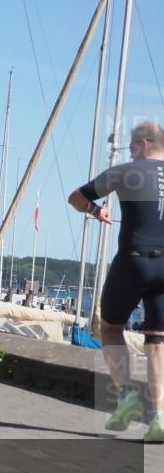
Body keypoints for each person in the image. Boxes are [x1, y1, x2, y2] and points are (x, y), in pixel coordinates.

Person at [68, 121, 164, 442]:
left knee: (110, 327)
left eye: (134, 146)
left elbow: (75, 199)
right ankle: (160, 417)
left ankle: (126, 398)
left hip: (134, 259)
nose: (131, 152)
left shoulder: (125, 172)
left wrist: (96, 211)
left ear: (145, 144)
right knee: (157, 340)